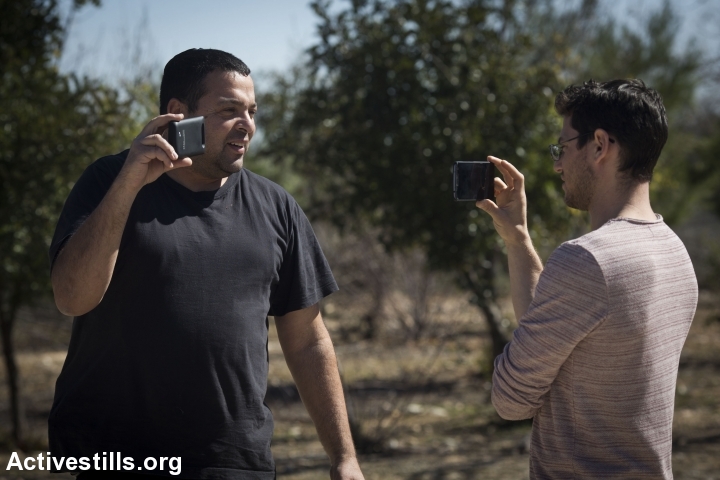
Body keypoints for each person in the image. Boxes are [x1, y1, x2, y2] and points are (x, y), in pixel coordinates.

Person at [49, 48, 364, 480]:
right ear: (178, 114)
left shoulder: (276, 206)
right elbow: (71, 297)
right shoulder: (108, 181)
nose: (247, 126)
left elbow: (308, 340)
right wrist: (129, 183)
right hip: (116, 459)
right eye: (229, 111)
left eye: (252, 111)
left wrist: (344, 459)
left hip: (235, 462)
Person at [477, 79, 698, 479]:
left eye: (563, 148)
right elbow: (562, 339)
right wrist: (518, 239)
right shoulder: (674, 251)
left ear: (599, 145)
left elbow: (510, 400)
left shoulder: (586, 260)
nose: (557, 164)